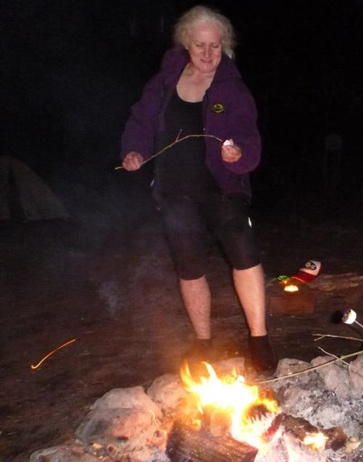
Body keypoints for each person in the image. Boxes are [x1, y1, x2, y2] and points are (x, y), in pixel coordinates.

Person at [120, 5, 276, 376]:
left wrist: (238, 155)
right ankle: (203, 342)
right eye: (200, 45)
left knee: (244, 252)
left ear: (225, 47)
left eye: (215, 47)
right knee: (189, 266)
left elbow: (249, 138)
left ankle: (259, 339)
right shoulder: (164, 80)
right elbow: (141, 120)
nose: (208, 54)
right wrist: (133, 150)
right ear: (185, 45)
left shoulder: (232, 88)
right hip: (176, 190)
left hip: (222, 187)